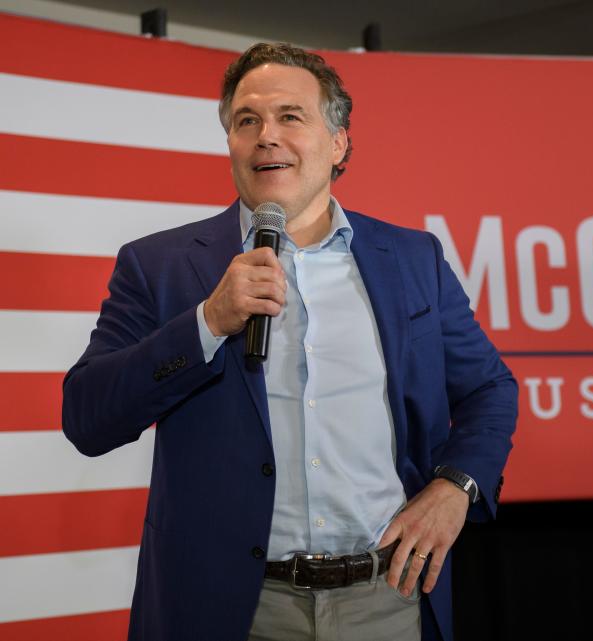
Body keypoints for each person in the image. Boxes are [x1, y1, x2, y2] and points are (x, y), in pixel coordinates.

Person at [62, 42, 517, 641]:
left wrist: (455, 486)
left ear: (338, 144)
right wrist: (206, 322)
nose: (265, 136)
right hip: (231, 609)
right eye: (246, 121)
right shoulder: (160, 266)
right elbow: (87, 417)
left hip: (388, 598)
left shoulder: (412, 259)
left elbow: (489, 388)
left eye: (290, 117)